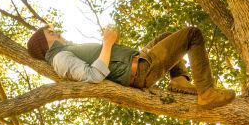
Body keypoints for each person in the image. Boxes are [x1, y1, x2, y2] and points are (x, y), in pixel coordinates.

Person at [25, 23, 236, 108]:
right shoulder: (60, 59)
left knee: (166, 36)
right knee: (192, 34)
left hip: (138, 62)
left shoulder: (65, 51)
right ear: (46, 43)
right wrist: (107, 44)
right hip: (139, 71)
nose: (57, 32)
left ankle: (179, 80)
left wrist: (111, 45)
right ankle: (206, 93)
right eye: (51, 33)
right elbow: (93, 76)